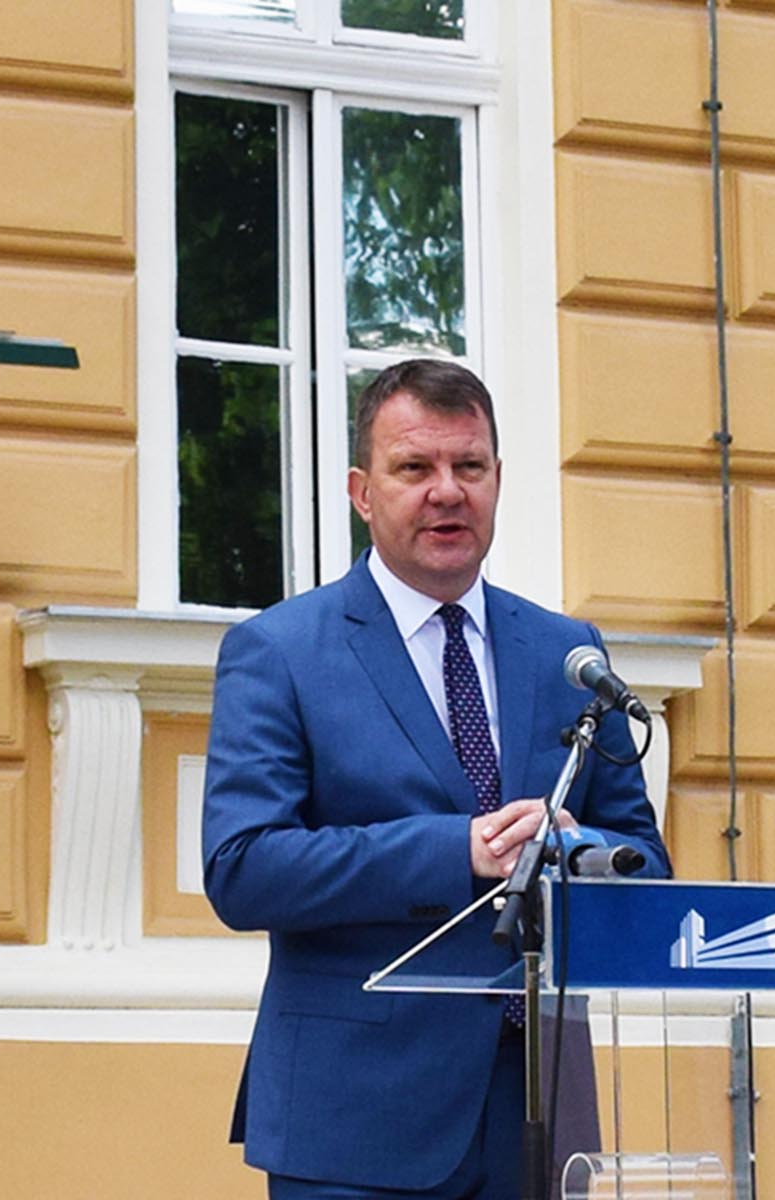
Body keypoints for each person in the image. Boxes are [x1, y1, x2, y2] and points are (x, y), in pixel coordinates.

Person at [202, 358, 672, 1199]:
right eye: (415, 467)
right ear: (361, 491)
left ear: (498, 480)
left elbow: (646, 864)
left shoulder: (567, 652)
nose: (447, 492)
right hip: (357, 1125)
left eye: (470, 466)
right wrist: (457, 851)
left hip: (537, 1113)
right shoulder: (280, 651)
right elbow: (243, 868)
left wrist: (576, 847)